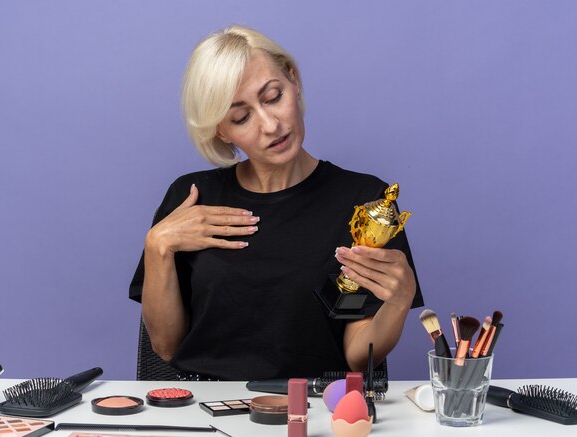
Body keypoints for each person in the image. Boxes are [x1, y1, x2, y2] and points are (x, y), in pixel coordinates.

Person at [129, 25, 424, 381]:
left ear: (293, 80)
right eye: (241, 117)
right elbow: (167, 347)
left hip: (313, 407)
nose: (271, 125)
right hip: (205, 408)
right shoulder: (191, 198)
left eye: (273, 96)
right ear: (222, 130)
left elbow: (357, 355)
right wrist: (157, 246)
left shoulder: (362, 205)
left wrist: (400, 298)